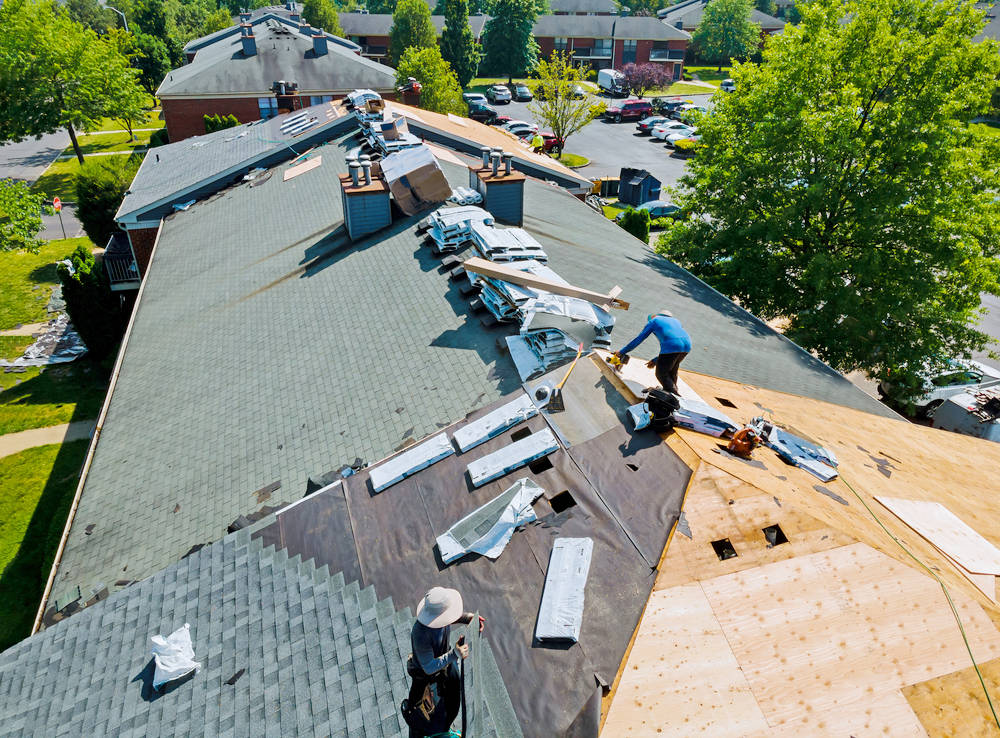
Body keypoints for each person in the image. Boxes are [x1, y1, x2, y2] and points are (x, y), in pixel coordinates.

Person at [404, 587, 485, 736]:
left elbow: (452, 618)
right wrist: (454, 654)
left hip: (444, 664)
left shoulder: (439, 619)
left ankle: (445, 723)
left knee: (453, 700)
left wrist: (468, 618)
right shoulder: (420, 634)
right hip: (426, 676)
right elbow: (429, 667)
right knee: (426, 718)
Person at [615, 310, 691, 395]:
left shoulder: (654, 321)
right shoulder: (676, 321)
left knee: (661, 374)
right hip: (687, 346)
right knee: (672, 371)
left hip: (672, 345)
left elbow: (639, 339)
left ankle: (674, 396)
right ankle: (671, 391)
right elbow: (672, 352)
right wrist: (655, 360)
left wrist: (622, 351)